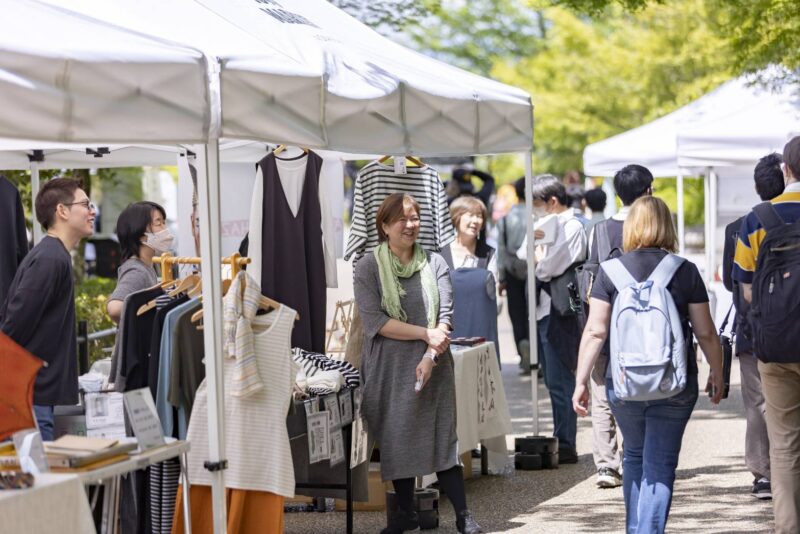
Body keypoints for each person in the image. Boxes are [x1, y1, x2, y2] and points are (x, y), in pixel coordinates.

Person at [573, 196, 724, 534]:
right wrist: (717, 371)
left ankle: (636, 529)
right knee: (660, 464)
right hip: (674, 383)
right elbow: (706, 332)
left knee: (635, 458)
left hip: (623, 382)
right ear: (667, 226)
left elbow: (595, 331)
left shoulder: (610, 272)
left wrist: (581, 381)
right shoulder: (683, 270)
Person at [353, 193, 483, 534]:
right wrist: (425, 333)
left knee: (443, 439)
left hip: (434, 365)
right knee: (397, 440)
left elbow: (446, 317)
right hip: (387, 368)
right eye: (402, 219)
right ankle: (405, 516)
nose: (411, 225)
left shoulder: (435, 263)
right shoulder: (368, 268)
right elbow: (375, 323)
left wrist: (429, 353)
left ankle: (463, 517)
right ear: (384, 226)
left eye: (415, 218)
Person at [734, 136, 800, 533]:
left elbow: (744, 288)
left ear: (786, 171)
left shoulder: (758, 218)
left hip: (774, 347)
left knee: (785, 444)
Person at [0, 177, 96, 440]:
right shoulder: (49, 259)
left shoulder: (54, 255)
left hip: (36, 395)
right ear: (62, 211)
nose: (92, 211)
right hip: (32, 398)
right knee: (37, 478)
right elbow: (13, 327)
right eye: (85, 204)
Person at [584, 164, 653, 489]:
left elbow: (589, 279)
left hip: (604, 321)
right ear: (647, 191)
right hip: (644, 326)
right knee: (638, 391)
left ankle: (607, 465)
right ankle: (632, 457)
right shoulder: (653, 227)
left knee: (601, 394)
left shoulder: (600, 230)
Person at [722, 153, 783, 500]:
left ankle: (763, 473)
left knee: (757, 404)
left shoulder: (738, 227)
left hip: (753, 330)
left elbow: (736, 284)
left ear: (756, 187)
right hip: (794, 326)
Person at [520, 175, 588, 463]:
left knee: (560, 377)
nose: (533, 210)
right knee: (550, 377)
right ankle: (562, 436)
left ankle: (567, 442)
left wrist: (538, 258)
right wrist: (535, 252)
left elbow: (548, 267)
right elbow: (524, 254)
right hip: (543, 308)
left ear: (552, 202)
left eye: (536, 204)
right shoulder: (544, 224)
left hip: (560, 309)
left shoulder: (573, 226)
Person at [447, 196, 499, 358]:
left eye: (479, 216)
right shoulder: (441, 253)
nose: (476, 221)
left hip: (481, 329)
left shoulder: (488, 254)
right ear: (456, 217)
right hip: (448, 329)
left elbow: (492, 293)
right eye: (470, 215)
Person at [107, 201, 172, 323]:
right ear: (139, 232)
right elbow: (115, 308)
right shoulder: (138, 272)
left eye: (164, 222)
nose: (165, 229)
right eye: (159, 223)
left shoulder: (146, 267)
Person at [496, 177, 530, 370]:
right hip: (534, 269)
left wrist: (501, 278)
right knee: (533, 312)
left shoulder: (506, 218)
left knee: (516, 313)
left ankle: (522, 347)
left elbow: (501, 249)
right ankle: (535, 353)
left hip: (512, 269)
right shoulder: (536, 216)